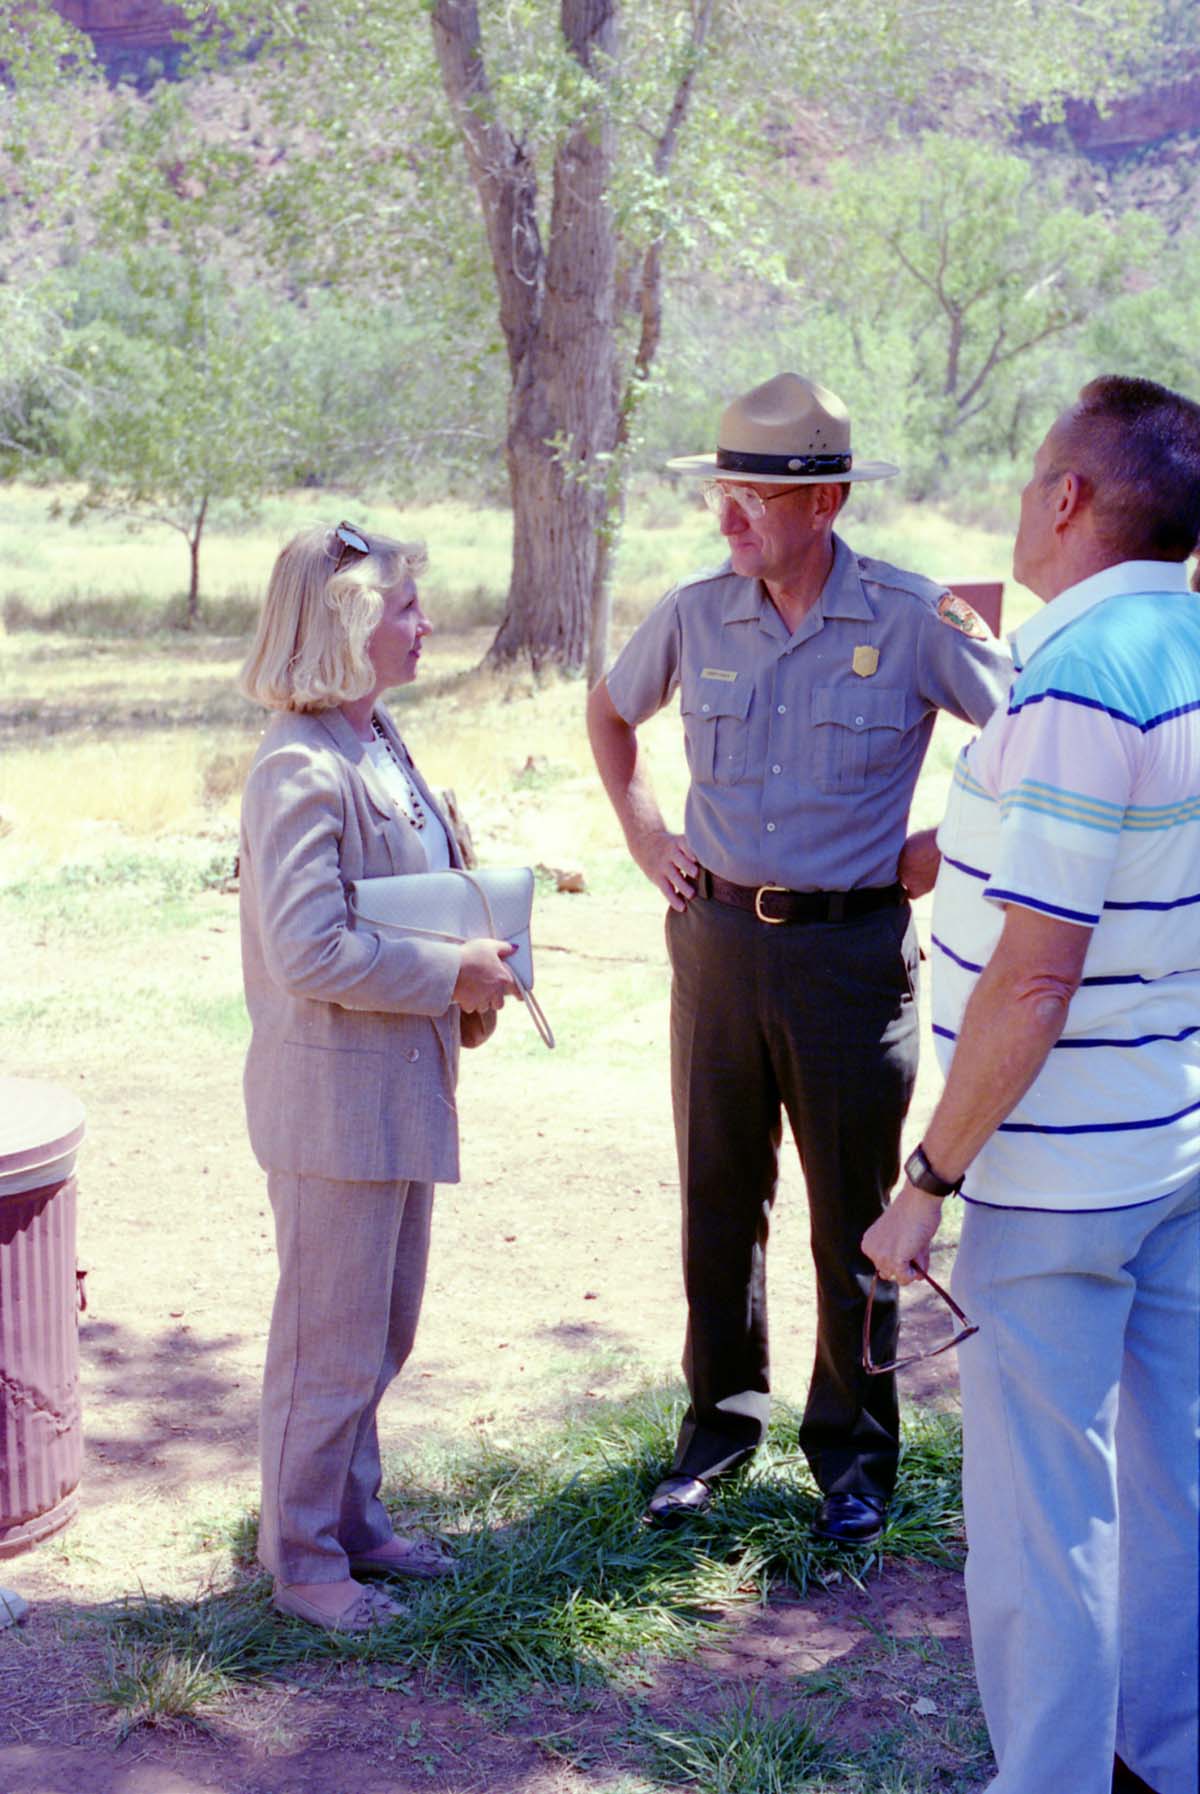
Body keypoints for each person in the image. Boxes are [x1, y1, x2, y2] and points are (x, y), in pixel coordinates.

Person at [587, 372, 1012, 1542]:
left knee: (856, 1215)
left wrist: (943, 841)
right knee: (719, 1203)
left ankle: (857, 1456)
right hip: (717, 946)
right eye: (721, 493)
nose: (728, 519)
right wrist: (645, 834)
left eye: (753, 500)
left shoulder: (915, 617)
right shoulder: (693, 611)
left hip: (849, 959)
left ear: (824, 501)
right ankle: (716, 1433)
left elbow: (1033, 740)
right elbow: (612, 714)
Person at [862, 374, 1200, 1794]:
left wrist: (926, 1178)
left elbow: (1035, 976)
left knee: (1046, 1510)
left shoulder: (1076, 682)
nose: (1014, 508)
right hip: (1174, 1140)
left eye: (1025, 484)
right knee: (1175, 1487)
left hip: (1056, 1169)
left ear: (1067, 499)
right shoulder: (1178, 642)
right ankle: (1164, 1756)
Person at [238, 521, 515, 1633]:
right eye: (406, 607)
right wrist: (453, 974)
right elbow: (308, 950)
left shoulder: (377, 738)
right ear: (351, 622)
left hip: (394, 1090)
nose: (426, 624)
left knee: (377, 1331)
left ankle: (352, 1525)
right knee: (327, 1342)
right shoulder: (297, 765)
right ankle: (302, 1562)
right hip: (333, 1105)